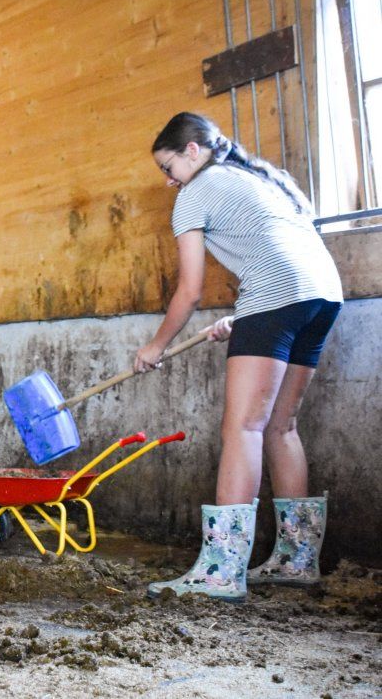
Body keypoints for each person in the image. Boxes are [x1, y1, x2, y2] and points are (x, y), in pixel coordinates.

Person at [135, 112, 342, 602]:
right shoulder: (257, 179)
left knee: (242, 428)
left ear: (191, 150)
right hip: (322, 295)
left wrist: (156, 346)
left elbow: (189, 291)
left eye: (169, 167)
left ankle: (222, 572)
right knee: (280, 426)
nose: (168, 182)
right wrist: (242, 318)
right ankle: (297, 560)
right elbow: (274, 252)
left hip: (276, 297)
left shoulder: (196, 192)